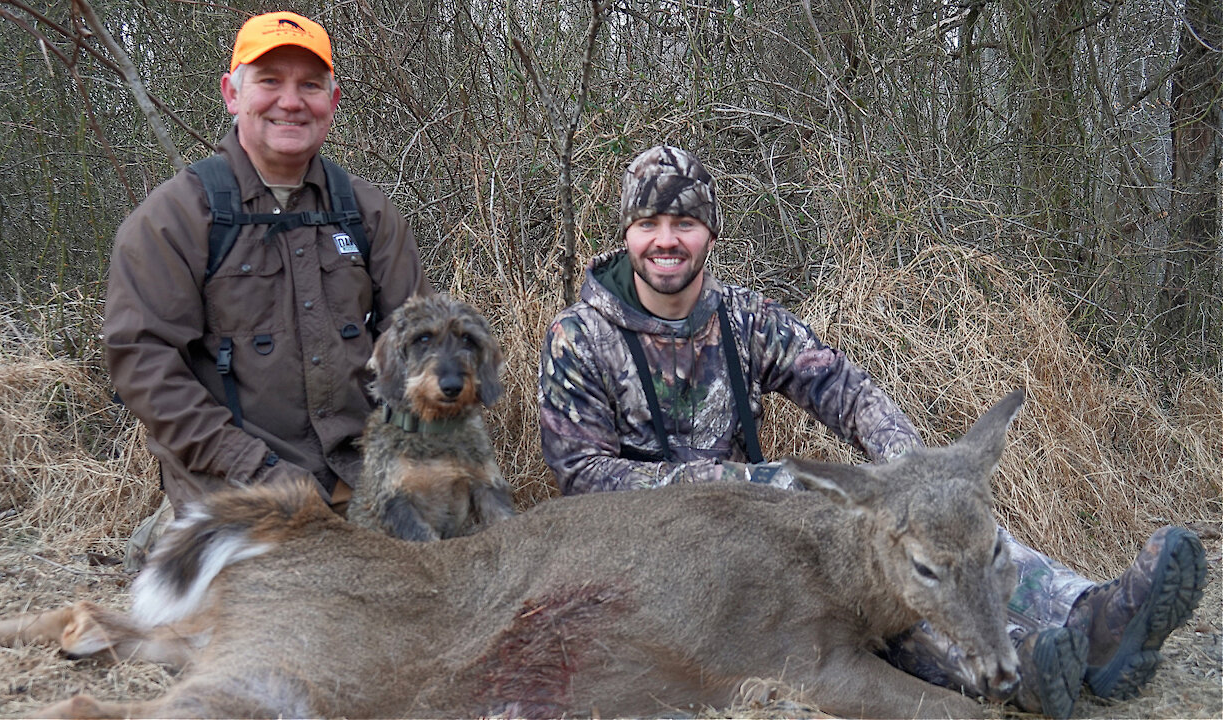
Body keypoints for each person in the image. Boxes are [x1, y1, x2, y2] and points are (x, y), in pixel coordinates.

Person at [537, 145, 1207, 718]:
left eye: (684, 222)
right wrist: (747, 480)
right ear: (627, 233)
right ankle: (1022, 669)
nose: (666, 240)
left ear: (709, 232)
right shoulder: (580, 338)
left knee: (923, 526)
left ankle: (1090, 616)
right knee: (842, 622)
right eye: (649, 222)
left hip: (757, 535)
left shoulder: (744, 318)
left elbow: (842, 388)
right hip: (655, 565)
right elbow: (584, 479)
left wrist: (907, 470)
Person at [104, 11, 432, 565]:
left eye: (309, 85)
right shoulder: (177, 217)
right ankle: (173, 540)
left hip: (359, 467)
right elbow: (144, 361)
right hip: (236, 479)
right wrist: (250, 463)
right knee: (286, 625)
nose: (291, 101)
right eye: (270, 81)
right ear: (233, 94)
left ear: (333, 100)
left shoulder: (368, 212)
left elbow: (417, 343)